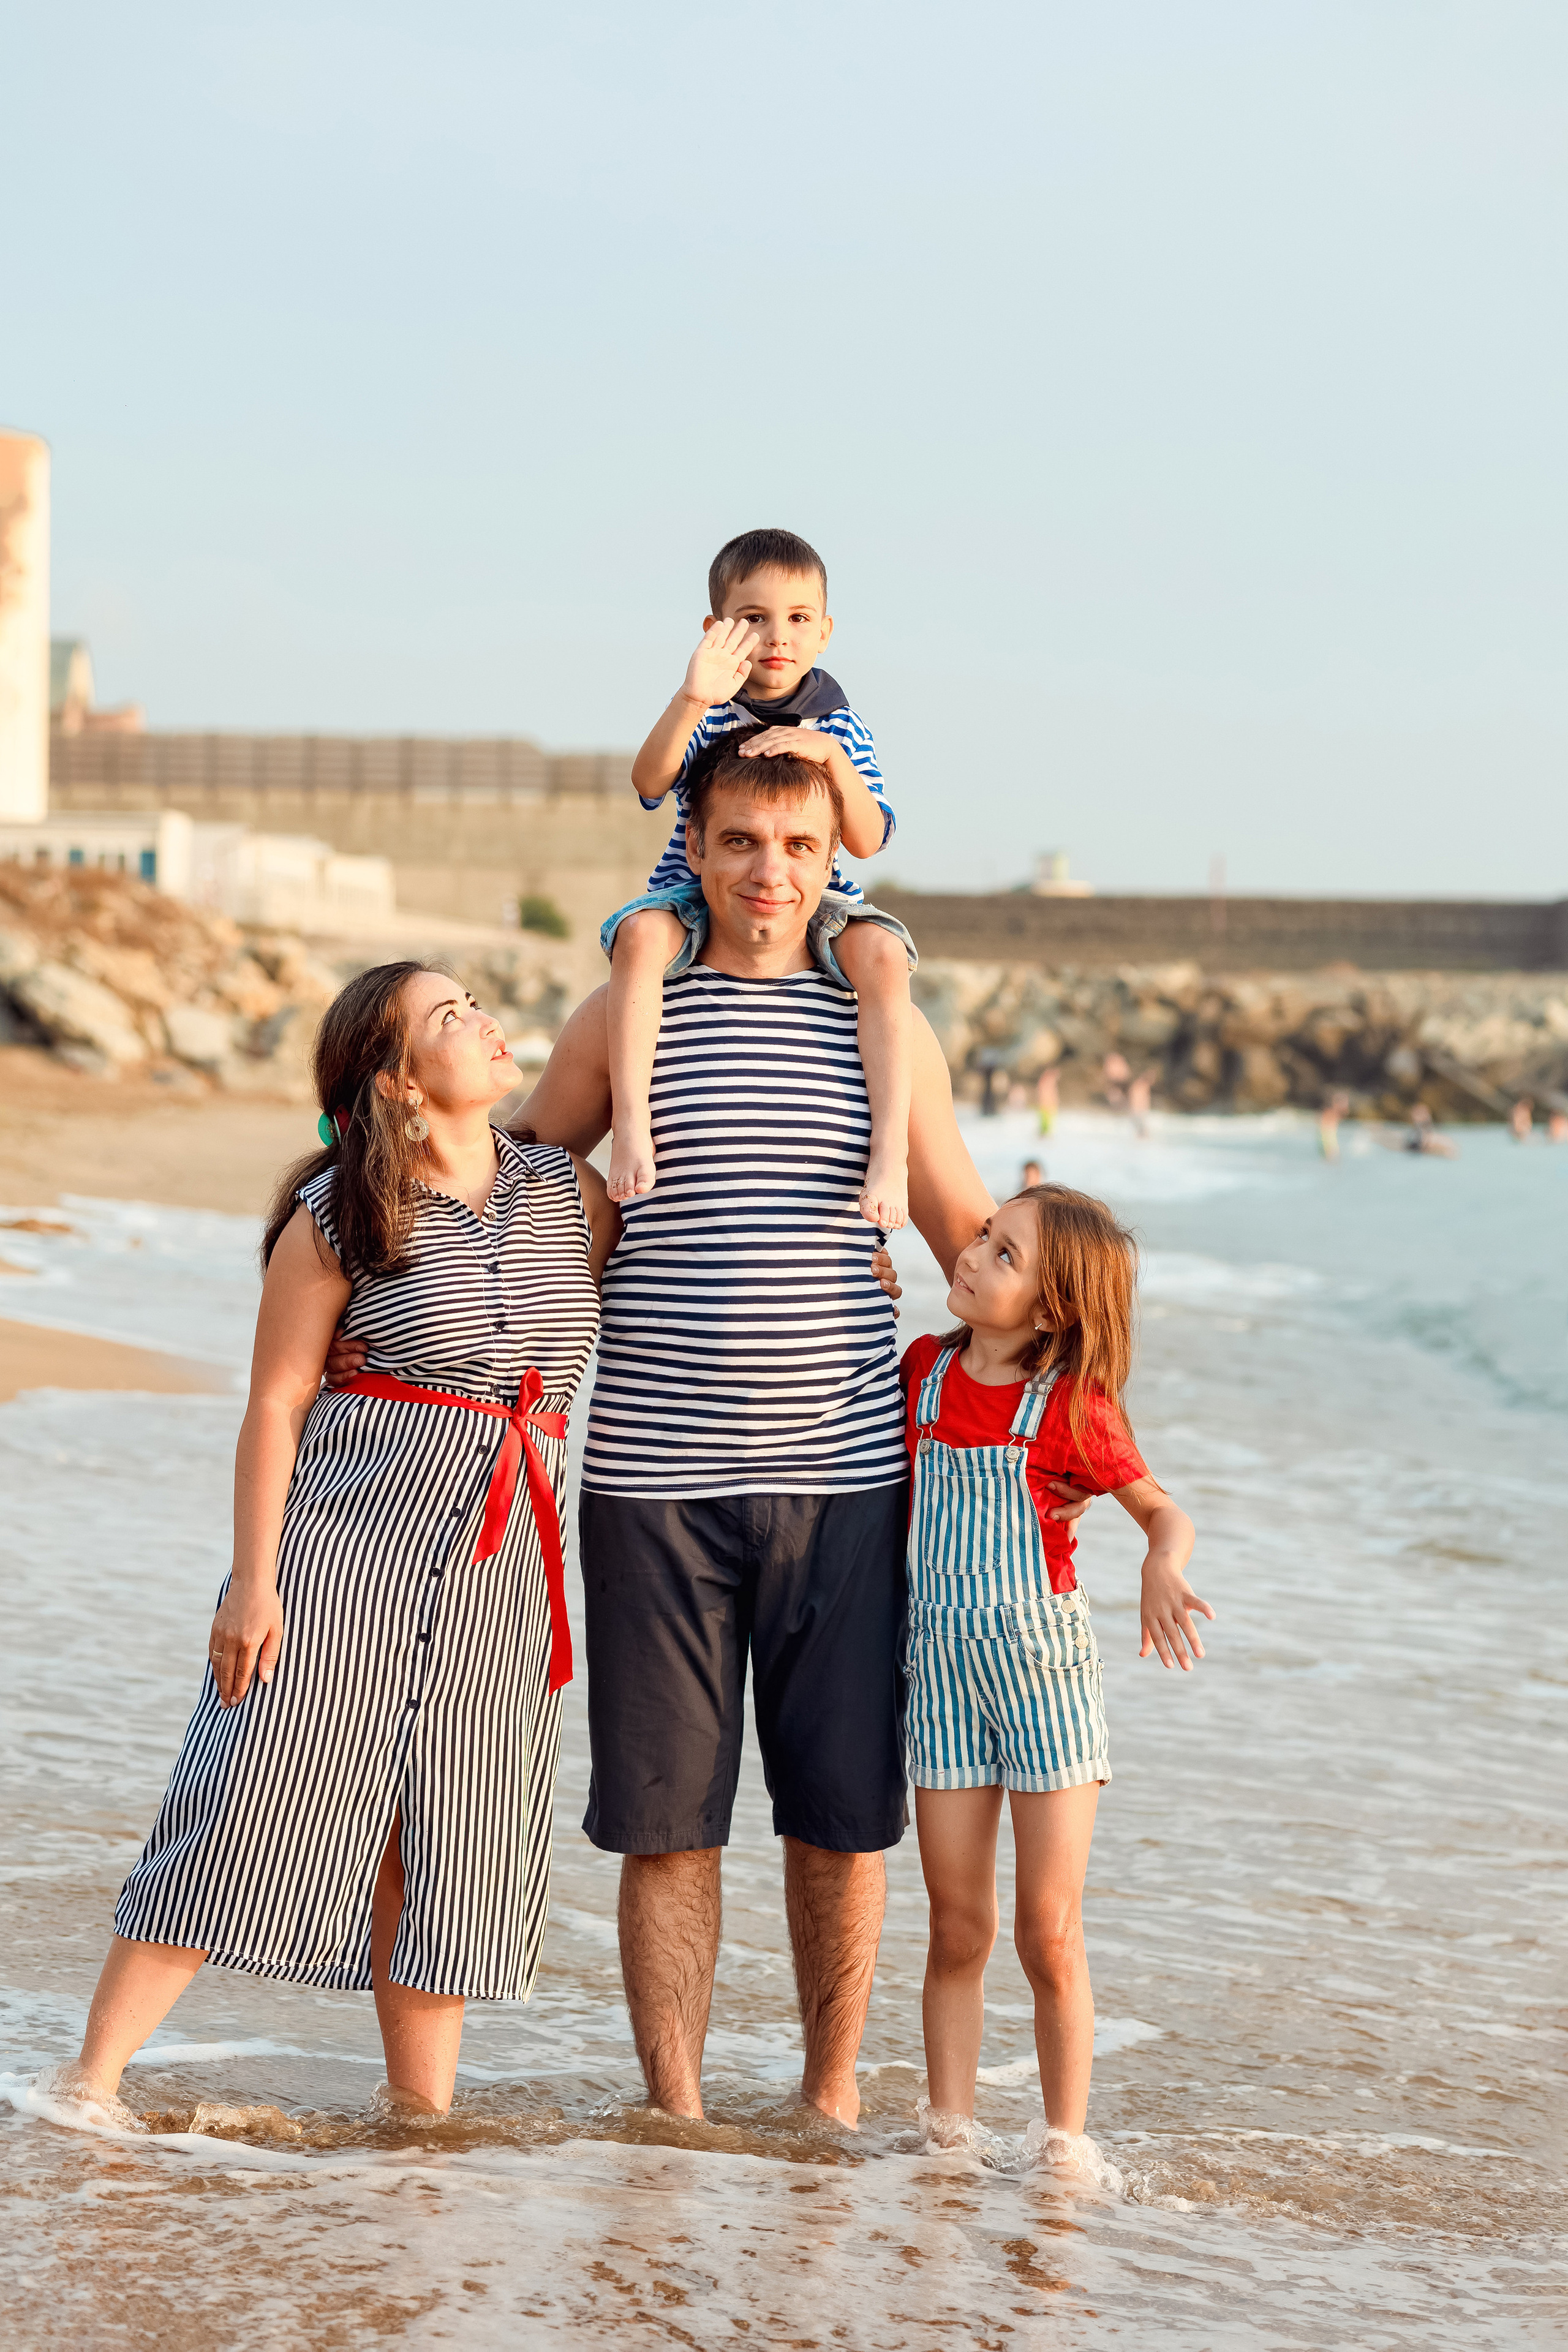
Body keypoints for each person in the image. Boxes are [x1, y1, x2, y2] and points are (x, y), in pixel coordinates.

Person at [497, 734, 1098, 2130]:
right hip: (648, 1480)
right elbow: (523, 1183)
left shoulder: (884, 1026)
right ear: (691, 851)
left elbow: (971, 1241)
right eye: (739, 845)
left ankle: (826, 2103)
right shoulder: (623, 1016)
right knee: (665, 1822)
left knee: (837, 1815)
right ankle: (677, 2115)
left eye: (798, 850)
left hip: (844, 1482)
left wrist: (1077, 1431)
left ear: (835, 862)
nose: (768, 875)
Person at [55, 964, 615, 2122]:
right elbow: (275, 1404)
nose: (484, 1018)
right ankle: (89, 2085)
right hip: (346, 1553)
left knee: (450, 1839)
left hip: (504, 1572)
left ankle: (422, 2122)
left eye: (474, 1001)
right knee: (245, 1801)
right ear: (397, 1078)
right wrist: (251, 1586)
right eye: (448, 1015)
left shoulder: (574, 1193)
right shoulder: (335, 1218)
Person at [902, 1183, 1210, 2167]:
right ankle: (950, 2138)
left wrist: (1163, 1563)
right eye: (985, 1236)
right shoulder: (923, 1373)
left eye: (1003, 1255)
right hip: (940, 1678)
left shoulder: (1075, 1408)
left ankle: (1065, 2149)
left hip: (1045, 1682)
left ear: (1052, 1310)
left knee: (1047, 1931)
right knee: (958, 1927)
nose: (971, 1254)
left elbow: (1163, 1513)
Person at [603, 527, 916, 1231]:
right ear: (716, 629)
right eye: (753, 618)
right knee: (638, 939)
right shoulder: (707, 706)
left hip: (816, 899)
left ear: (826, 631)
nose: (778, 636)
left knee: (886, 957)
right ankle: (630, 1119)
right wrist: (690, 698)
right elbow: (648, 781)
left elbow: (866, 839)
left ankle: (890, 1148)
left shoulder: (840, 723)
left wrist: (831, 758)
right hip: (696, 888)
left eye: (799, 619)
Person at [1319, 1091, 1350, 1161]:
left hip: (1329, 1134)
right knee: (1332, 1155)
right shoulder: (1330, 1113)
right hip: (1328, 1134)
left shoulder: (1331, 1113)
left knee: (1333, 1156)